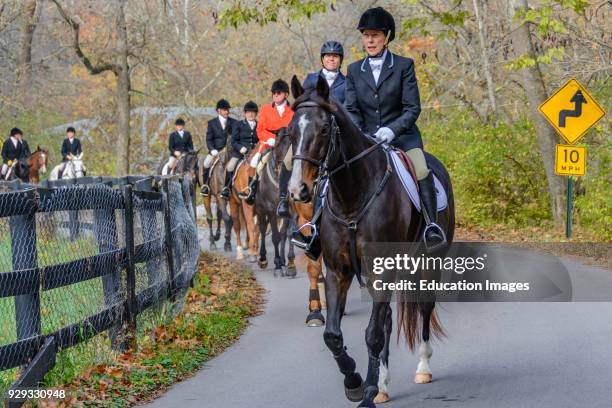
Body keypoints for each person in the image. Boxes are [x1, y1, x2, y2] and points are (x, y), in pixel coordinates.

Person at [276, 40, 347, 217]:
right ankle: (284, 200)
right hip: (311, 134)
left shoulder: (346, 83)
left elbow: (347, 110)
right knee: (287, 160)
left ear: (340, 60)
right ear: (322, 59)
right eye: (328, 56)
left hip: (335, 134)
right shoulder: (310, 79)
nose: (331, 59)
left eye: (335, 56)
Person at [240, 80, 293, 203]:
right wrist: (270, 139)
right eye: (273, 93)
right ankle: (251, 189)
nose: (275, 95)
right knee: (254, 162)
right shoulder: (265, 109)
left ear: (286, 94)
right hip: (268, 143)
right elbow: (260, 129)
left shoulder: (293, 111)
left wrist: (284, 140)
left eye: (278, 93)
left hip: (287, 145)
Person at [221, 101, 259, 199]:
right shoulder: (238, 124)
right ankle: (227, 188)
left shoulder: (259, 125)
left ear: (256, 113)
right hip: (240, 153)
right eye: (248, 112)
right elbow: (233, 141)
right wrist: (241, 148)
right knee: (230, 166)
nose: (251, 114)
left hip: (256, 153)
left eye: (253, 112)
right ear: (245, 113)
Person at [201, 99, 237, 196]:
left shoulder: (234, 122)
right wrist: (212, 149)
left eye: (227, 109)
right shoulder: (212, 123)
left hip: (230, 151)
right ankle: (205, 185)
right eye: (224, 110)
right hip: (216, 151)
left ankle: (230, 187)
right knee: (206, 163)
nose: (227, 112)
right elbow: (209, 139)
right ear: (218, 111)